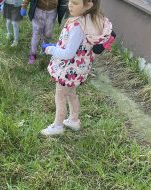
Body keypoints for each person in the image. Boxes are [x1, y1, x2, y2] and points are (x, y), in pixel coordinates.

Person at [40, 0, 114, 136]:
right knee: (71, 93)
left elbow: (68, 53)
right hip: (79, 68)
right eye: (69, 1)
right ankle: (74, 120)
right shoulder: (93, 20)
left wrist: (50, 49)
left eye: (75, 3)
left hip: (68, 69)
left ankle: (57, 126)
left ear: (89, 5)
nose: (69, 5)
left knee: (60, 96)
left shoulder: (77, 26)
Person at [20, 0, 68, 64]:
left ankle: (45, 49)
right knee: (36, 32)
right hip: (38, 10)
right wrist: (24, 6)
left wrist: (66, 8)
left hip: (52, 12)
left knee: (48, 33)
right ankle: (32, 54)